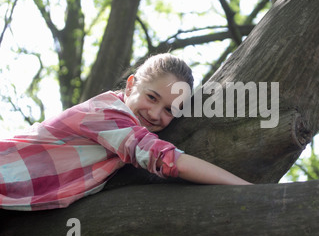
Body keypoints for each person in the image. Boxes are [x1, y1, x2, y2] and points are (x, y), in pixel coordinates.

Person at [0, 53, 251, 211]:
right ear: (131, 86)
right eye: (152, 97)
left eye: (169, 110)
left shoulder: (123, 127)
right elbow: (169, 160)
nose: (155, 114)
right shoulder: (104, 114)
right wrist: (247, 189)